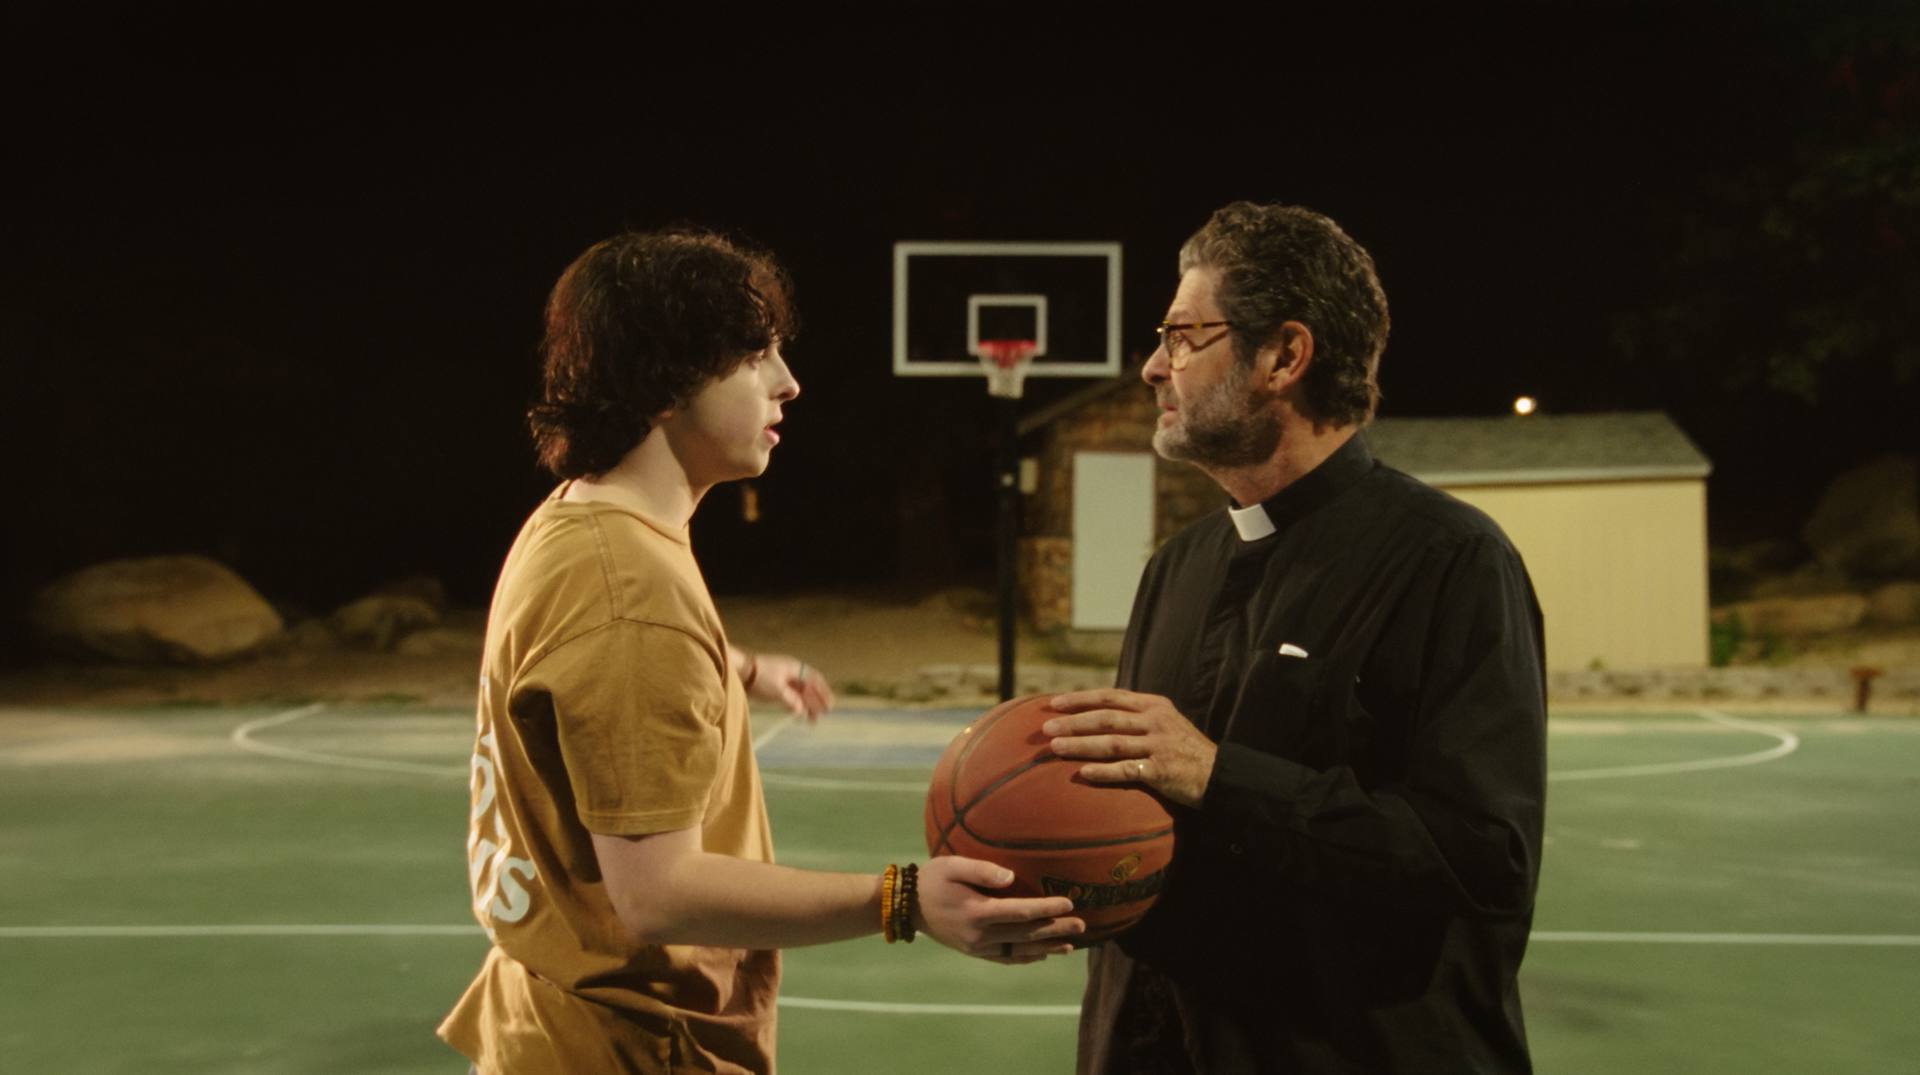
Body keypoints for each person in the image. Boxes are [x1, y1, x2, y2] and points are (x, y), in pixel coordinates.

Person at [438, 227, 1082, 1074]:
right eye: (754, 356)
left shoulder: (576, 521)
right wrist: (906, 898)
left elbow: (588, 667)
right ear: (662, 385)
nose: (787, 382)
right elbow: (659, 894)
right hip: (628, 1046)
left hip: (549, 1018)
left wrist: (739, 667)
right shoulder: (632, 595)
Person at [1043, 202, 1547, 1074]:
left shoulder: (1451, 559)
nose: (1153, 366)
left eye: (1182, 336)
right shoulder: (1176, 568)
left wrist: (1216, 773)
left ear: (1283, 355)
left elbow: (1480, 862)